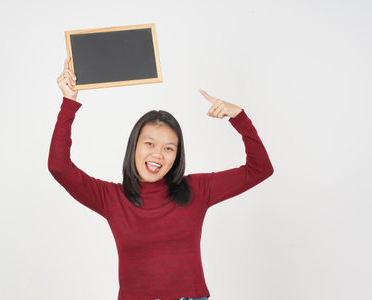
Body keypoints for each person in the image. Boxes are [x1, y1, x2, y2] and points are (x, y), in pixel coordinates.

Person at [48, 57, 274, 300]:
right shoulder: (111, 198)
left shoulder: (197, 189)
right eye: (149, 144)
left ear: (177, 155)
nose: (158, 154)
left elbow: (260, 169)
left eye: (169, 148)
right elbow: (59, 167)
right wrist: (68, 102)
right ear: (134, 146)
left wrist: (238, 116)